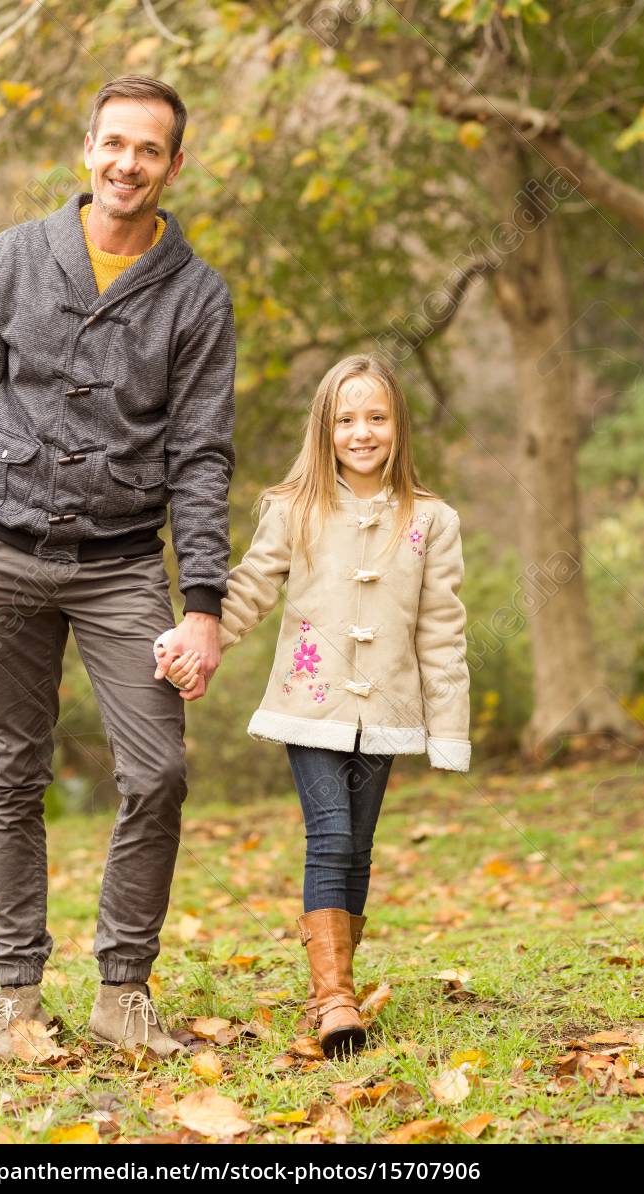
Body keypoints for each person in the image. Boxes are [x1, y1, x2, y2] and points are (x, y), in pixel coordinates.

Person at [0, 76, 235, 1064]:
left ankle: (121, 994)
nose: (127, 164)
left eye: (149, 149)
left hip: (121, 570)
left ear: (174, 166)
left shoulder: (198, 295)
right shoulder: (16, 256)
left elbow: (201, 455)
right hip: (4, 557)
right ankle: (15, 1003)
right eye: (114, 143)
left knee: (158, 772)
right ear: (87, 148)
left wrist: (204, 604)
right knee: (13, 773)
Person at [156, 353, 471, 1059]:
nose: (362, 432)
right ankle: (334, 1002)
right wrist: (196, 640)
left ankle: (338, 984)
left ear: (397, 427)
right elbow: (249, 589)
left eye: (376, 417)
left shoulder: (430, 521)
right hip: (309, 703)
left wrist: (447, 728)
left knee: (357, 847)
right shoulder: (293, 509)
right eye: (346, 419)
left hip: (385, 710)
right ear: (325, 430)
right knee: (328, 835)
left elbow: (442, 629)